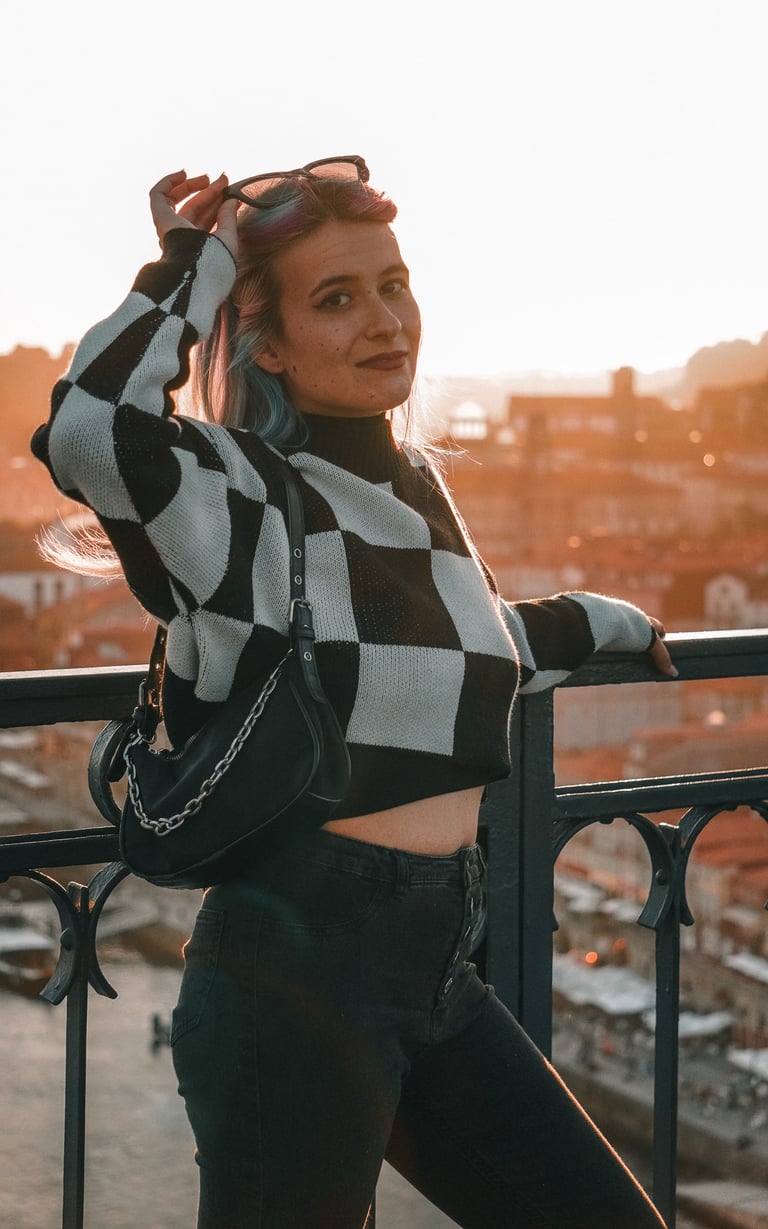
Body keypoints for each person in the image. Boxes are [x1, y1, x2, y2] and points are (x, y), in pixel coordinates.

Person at [32, 157, 674, 1229]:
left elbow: (452, 656)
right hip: (295, 973)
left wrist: (605, 621)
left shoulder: (414, 485)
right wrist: (193, 261)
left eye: (393, 283)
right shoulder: (233, 492)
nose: (385, 319)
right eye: (336, 297)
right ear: (269, 343)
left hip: (440, 966)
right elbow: (90, 428)